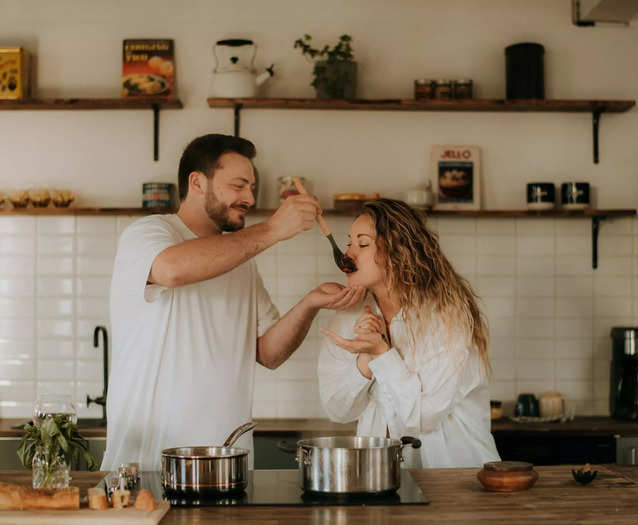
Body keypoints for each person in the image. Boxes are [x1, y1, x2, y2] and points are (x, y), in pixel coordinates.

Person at [102, 134, 363, 471]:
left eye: (251, 188)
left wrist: (309, 304)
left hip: (225, 464)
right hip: (146, 465)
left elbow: (268, 354)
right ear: (198, 182)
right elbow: (170, 269)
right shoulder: (148, 233)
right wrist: (272, 229)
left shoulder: (241, 259)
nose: (249, 198)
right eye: (239, 186)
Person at [318, 199, 500, 468]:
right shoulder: (350, 314)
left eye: (363, 244)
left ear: (398, 251)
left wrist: (381, 353)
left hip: (454, 481)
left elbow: (422, 418)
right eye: (349, 243)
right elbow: (337, 409)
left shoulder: (445, 315)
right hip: (379, 476)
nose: (349, 254)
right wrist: (366, 362)